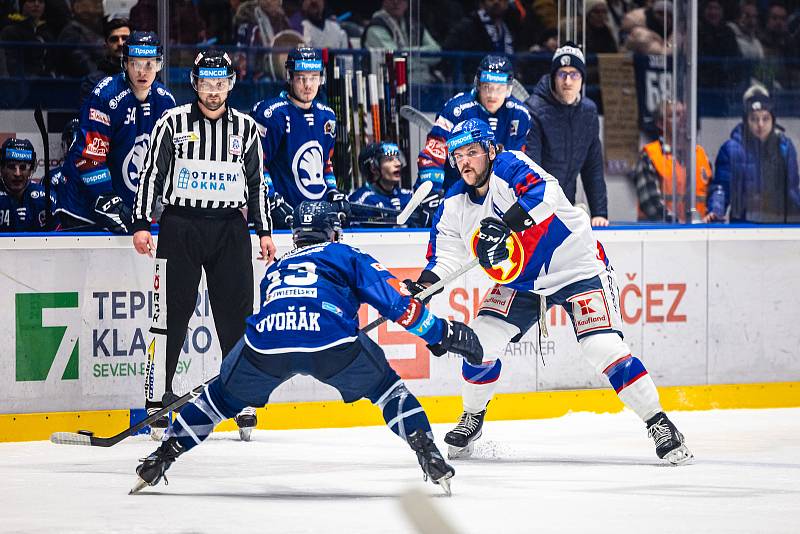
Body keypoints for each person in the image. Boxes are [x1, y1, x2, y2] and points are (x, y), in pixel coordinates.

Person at [130, 200, 484, 495]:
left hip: (266, 341)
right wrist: (442, 334)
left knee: (219, 398)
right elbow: (396, 303)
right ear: (334, 231)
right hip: (331, 339)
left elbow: (288, 311)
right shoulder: (345, 253)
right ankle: (429, 455)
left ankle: (161, 457)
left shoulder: (277, 268)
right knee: (388, 391)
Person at [405, 118, 693, 465]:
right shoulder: (453, 204)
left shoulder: (510, 166)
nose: (465, 161)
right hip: (523, 282)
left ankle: (659, 422)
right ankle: (472, 416)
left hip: (577, 269)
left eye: (473, 152)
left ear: (491, 151)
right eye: (458, 155)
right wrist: (424, 287)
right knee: (479, 344)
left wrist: (506, 224)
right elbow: (446, 255)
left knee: (601, 346)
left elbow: (547, 194)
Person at [131, 49, 275, 441]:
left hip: (229, 229)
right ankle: (158, 400)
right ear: (195, 84)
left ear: (230, 84)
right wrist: (142, 222)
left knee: (236, 316)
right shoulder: (171, 123)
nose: (214, 92)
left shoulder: (246, 129)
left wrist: (263, 230)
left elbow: (255, 184)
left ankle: (241, 396)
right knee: (169, 316)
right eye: (207, 84)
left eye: (221, 84)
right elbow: (152, 175)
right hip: (180, 227)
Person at [59, 31, 176, 233]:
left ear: (159, 65)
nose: (142, 71)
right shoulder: (106, 96)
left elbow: (167, 158)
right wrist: (107, 199)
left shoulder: (165, 101)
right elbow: (89, 158)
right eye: (135, 63)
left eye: (150, 64)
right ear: (125, 63)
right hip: (84, 206)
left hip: (129, 203)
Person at [251, 46, 349, 229]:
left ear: (321, 78)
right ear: (289, 77)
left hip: (319, 221)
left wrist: (333, 191)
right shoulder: (271, 114)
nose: (308, 85)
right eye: (301, 78)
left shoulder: (327, 116)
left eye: (313, 77)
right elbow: (257, 164)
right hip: (284, 223)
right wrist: (270, 197)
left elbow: (325, 163)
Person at [416, 54, 531, 194]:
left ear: (508, 89)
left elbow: (518, 164)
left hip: (496, 196)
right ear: (478, 85)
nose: (492, 95)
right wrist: (432, 192)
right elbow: (433, 155)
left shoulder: (520, 115)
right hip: (452, 193)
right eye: (487, 86)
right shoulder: (456, 110)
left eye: (499, 88)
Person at [524, 42, 609, 226]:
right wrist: (539, 210)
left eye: (574, 74)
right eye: (562, 74)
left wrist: (599, 212)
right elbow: (532, 169)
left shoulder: (588, 112)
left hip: (566, 207)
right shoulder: (533, 110)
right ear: (554, 77)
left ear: (582, 78)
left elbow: (592, 167)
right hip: (536, 212)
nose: (568, 81)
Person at [709, 84, 800, 223]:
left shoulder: (785, 148)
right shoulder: (731, 149)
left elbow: (792, 190)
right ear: (746, 121)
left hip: (780, 226)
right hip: (743, 228)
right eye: (754, 119)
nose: (760, 124)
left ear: (773, 121)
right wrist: (715, 211)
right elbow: (721, 188)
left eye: (765, 118)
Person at [631, 99, 713, 223]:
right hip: (661, 234)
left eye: (684, 115)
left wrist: (711, 213)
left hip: (699, 233)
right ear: (660, 123)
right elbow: (650, 203)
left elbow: (712, 193)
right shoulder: (650, 155)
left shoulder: (701, 155)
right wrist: (677, 224)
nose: (681, 120)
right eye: (673, 116)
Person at [362, 0, 442, 84]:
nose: (396, 2)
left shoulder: (415, 26)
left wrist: (405, 52)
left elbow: (436, 52)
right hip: (387, 85)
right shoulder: (376, 27)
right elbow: (395, 59)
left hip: (422, 84)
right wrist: (422, 62)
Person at [441, 0, 521, 84]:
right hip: (475, 84)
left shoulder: (510, 26)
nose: (496, 2)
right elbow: (449, 49)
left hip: (505, 82)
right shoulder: (469, 25)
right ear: (482, 3)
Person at [0, 138, 59, 232]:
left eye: (23, 167)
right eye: (11, 167)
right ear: (2, 169)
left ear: (32, 169)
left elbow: (62, 239)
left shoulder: (46, 199)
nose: (17, 173)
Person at [79, 17, 131, 102]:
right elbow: (87, 113)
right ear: (106, 45)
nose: (120, 43)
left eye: (125, 38)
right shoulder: (93, 82)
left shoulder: (146, 77)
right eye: (114, 39)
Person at [0, 0, 55, 78]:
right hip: (23, 85)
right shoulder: (10, 31)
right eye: (31, 1)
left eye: (41, 1)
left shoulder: (47, 33)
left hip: (47, 84)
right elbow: (12, 66)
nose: (36, 4)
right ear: (22, 5)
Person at [56, 0, 105, 78]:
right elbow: (84, 64)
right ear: (78, 7)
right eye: (95, 2)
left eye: (100, 2)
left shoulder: (97, 29)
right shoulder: (71, 32)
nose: (99, 6)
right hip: (80, 84)